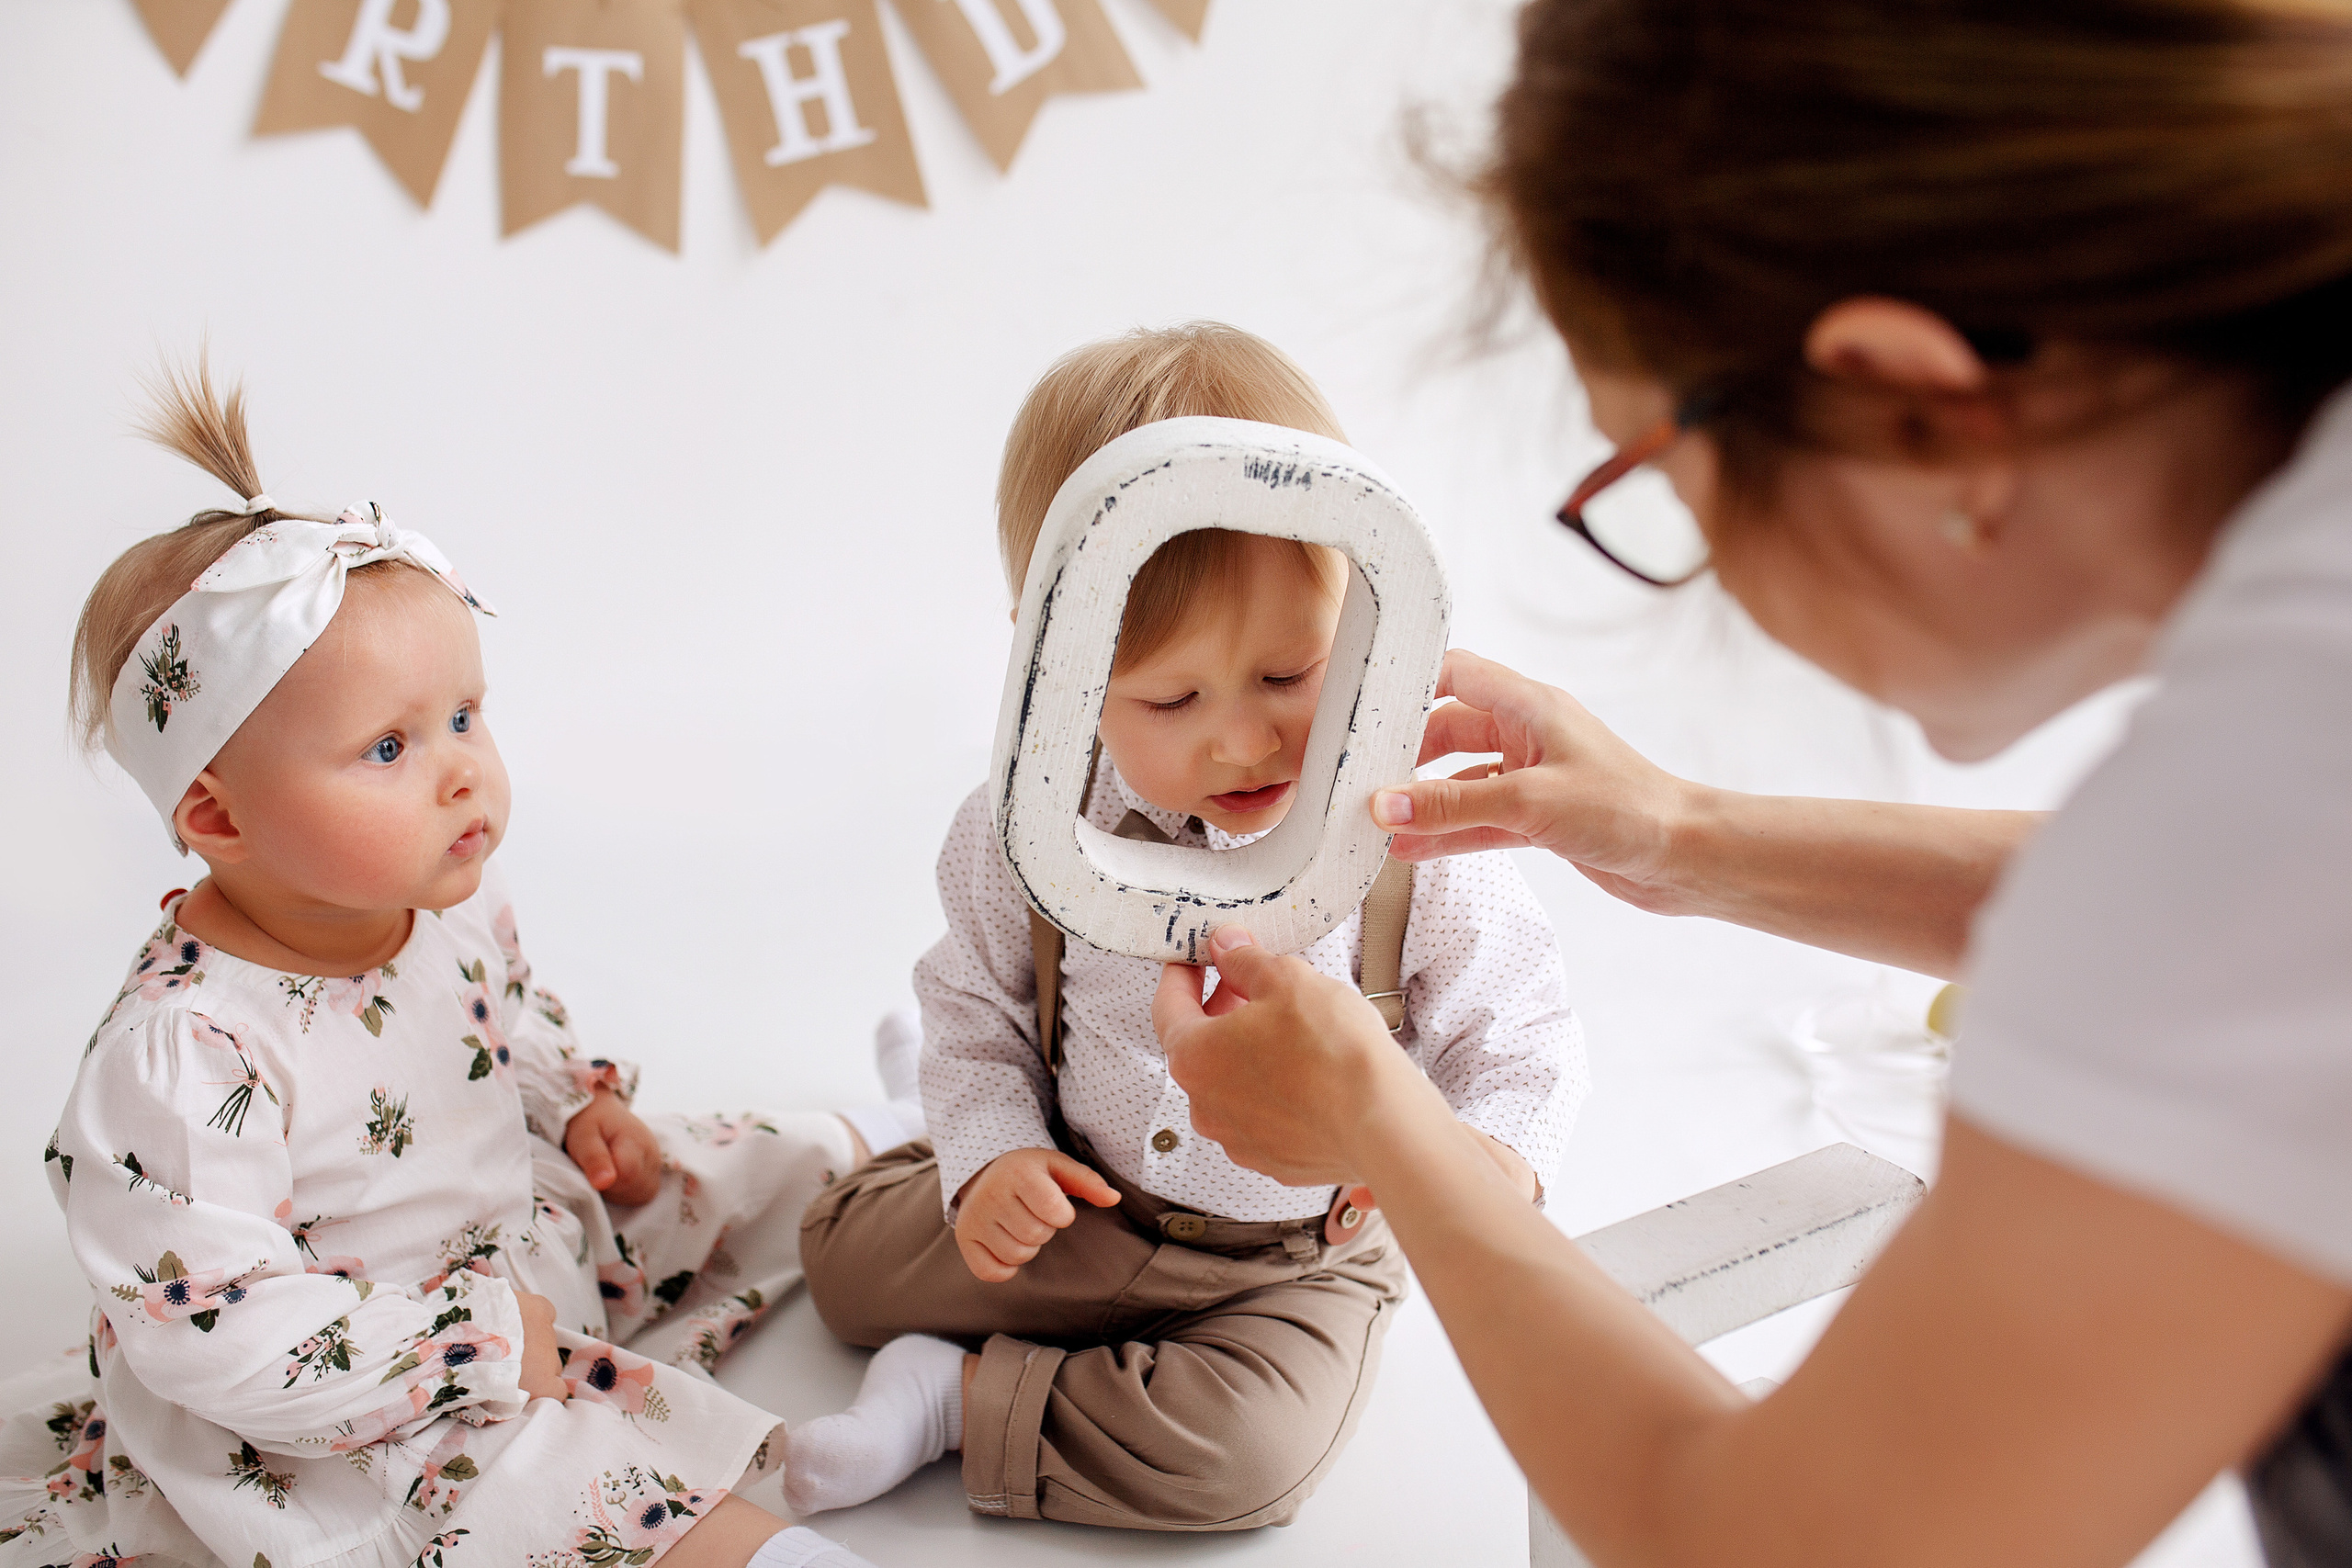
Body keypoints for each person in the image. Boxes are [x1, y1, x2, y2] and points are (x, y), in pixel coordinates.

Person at [1151, 3, 2352, 1565]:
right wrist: (1680, 836)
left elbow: (1775, 1544)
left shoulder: (2281, 782)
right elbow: (2222, 929)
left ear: (1908, 397)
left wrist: (1389, 1129)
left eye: (1658, 475)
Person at [5, 366, 927, 1568]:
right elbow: (220, 1329)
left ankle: (903, 1129)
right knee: (533, 1488)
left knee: (700, 1167)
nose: (461, 772)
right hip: (360, 1381)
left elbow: (509, 1018)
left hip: (519, 1246)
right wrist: (466, 1346)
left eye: (463, 715)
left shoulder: (436, 899)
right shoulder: (188, 1052)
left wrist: (576, 1099)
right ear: (221, 818)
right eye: (388, 746)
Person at [787, 323, 1587, 1530]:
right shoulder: (1027, 827)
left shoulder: (1416, 845)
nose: (1243, 741)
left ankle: (954, 1398)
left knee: (1242, 1462)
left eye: (1288, 675)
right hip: (1084, 1195)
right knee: (836, 1264)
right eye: (1170, 698)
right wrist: (994, 1152)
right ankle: (924, 1119)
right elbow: (975, 1003)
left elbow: (1521, 1036)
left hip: (1292, 1261)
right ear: (1057, 669)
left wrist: (1486, 1163)